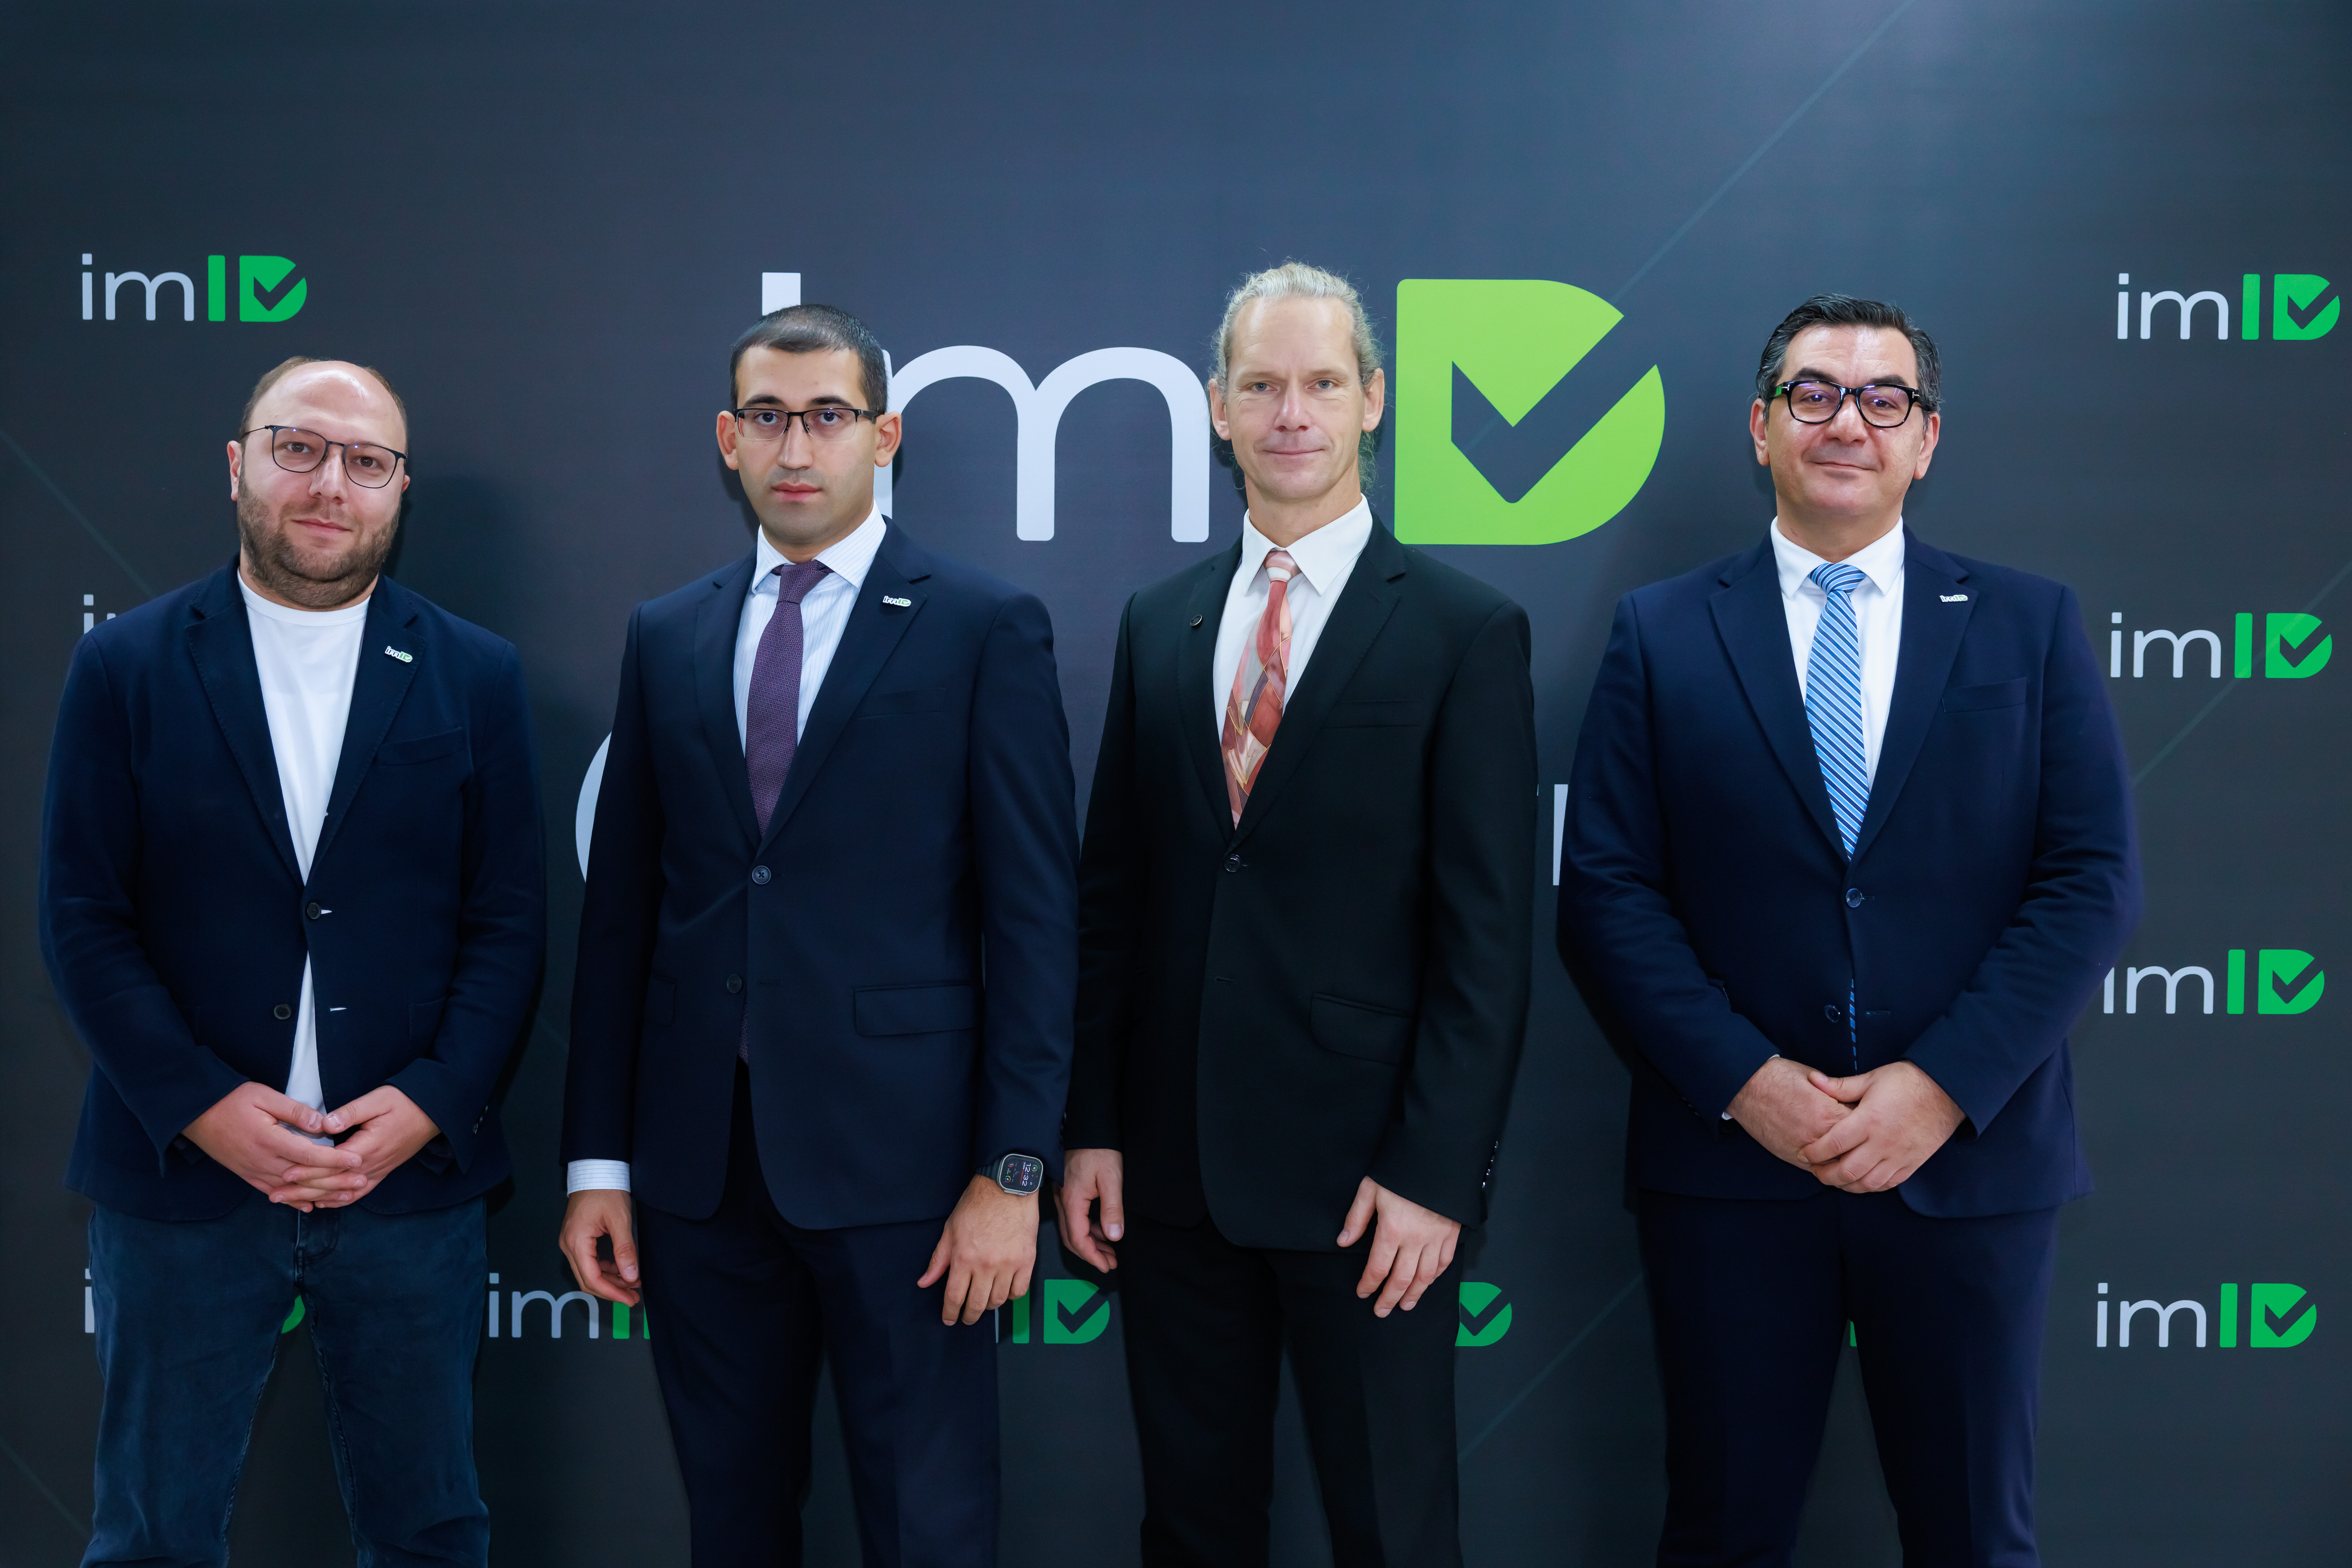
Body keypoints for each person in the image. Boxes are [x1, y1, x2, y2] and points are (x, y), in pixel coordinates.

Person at [1559, 294, 2140, 1566]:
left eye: (1886, 398)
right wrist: (1747, 1083)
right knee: (1722, 1531)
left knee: (1976, 1536)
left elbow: (2090, 880)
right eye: (1813, 392)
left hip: (1967, 1167)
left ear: (1926, 440)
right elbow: (1607, 890)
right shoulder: (1660, 632)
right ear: (1760, 426)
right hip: (1731, 1168)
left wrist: (1941, 1086)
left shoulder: (2028, 624)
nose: (1847, 422)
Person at [558, 303, 1077, 1568]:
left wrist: (1013, 1171)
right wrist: (596, 1164)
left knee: (927, 1526)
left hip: (913, 1177)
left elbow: (1033, 921)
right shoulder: (666, 633)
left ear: (883, 436)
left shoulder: (981, 626)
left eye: (829, 416)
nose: (798, 447)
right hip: (698, 1170)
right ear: (727, 438)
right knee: (732, 1524)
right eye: (770, 417)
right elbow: (620, 920)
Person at [1057, 261, 1535, 1568]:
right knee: (1192, 1530)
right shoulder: (1159, 622)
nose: (1291, 413)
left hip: (1371, 1191)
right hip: (1172, 1180)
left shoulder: (1464, 631)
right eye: (1262, 385)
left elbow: (1489, 941)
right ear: (1217, 408)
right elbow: (1112, 903)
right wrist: (1092, 1125)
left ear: (1373, 400)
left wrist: (1434, 1173)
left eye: (1323, 383)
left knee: (1392, 1530)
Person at [41, 356, 546, 1567]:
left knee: (429, 1534)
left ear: (400, 490)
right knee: (151, 1536)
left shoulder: (476, 673)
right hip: (184, 1185)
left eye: (366, 462)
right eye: (299, 448)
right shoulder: (126, 665)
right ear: (239, 465)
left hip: (406, 1187)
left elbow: (509, 923)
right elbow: (83, 917)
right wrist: (202, 1105)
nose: (330, 484)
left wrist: (429, 1104)